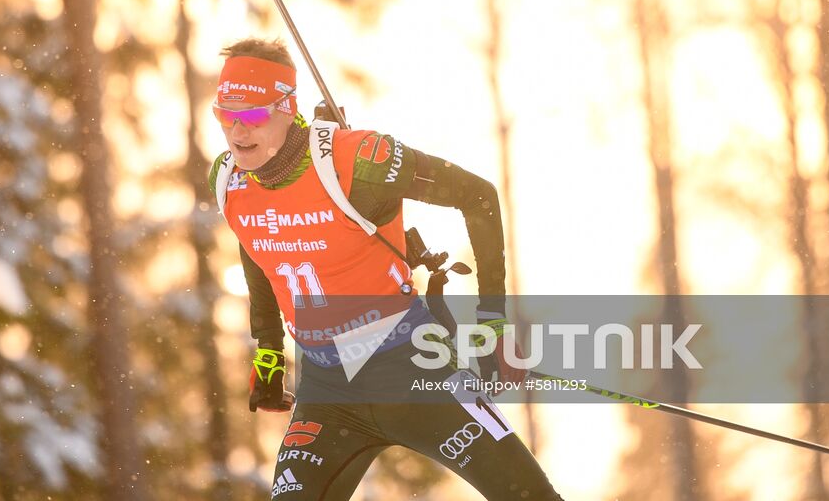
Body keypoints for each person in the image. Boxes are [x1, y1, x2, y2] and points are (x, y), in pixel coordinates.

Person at [208, 38, 563, 500]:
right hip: (326, 389)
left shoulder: (356, 159)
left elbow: (477, 196)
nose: (237, 130)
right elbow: (257, 246)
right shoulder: (227, 179)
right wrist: (269, 351)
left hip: (412, 368)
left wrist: (492, 322)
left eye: (252, 114)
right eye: (224, 113)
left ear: (286, 106)